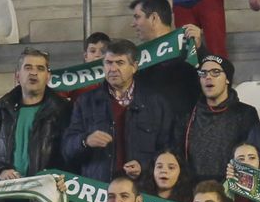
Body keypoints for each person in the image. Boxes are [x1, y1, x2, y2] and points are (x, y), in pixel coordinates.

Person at [0, 47, 71, 202]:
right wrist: (0, 172)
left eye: (40, 68)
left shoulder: (64, 110)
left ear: (48, 76)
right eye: (28, 67)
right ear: (17, 75)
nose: (34, 73)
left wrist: (60, 178)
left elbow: (71, 155)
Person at [62, 38, 179, 183]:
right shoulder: (85, 102)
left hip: (142, 189)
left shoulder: (157, 103)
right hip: (99, 190)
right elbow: (67, 150)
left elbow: (169, 149)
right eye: (108, 63)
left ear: (134, 67)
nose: (113, 69)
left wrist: (144, 166)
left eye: (120, 63)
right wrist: (85, 141)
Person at [185, 54, 259, 181]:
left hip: (231, 186)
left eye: (215, 72)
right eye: (203, 73)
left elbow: (251, 157)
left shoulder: (245, 113)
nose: (208, 77)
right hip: (194, 189)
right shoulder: (188, 114)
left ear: (227, 79)